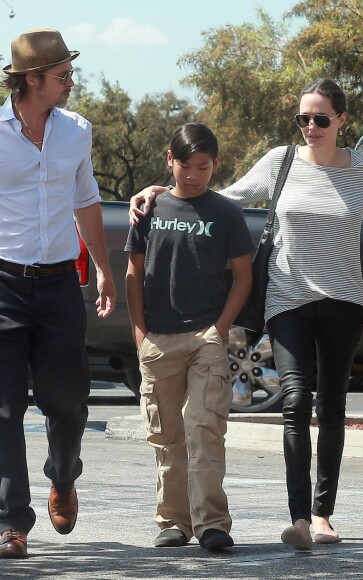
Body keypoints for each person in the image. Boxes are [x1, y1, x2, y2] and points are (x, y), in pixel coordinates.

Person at [128, 79, 363, 550]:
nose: (311, 127)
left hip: (344, 302)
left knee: (331, 407)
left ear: (341, 121)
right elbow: (222, 195)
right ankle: (298, 520)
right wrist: (161, 190)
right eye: (303, 119)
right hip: (287, 299)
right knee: (293, 401)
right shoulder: (279, 162)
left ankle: (322, 513)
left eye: (321, 119)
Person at [0, 29, 116, 559]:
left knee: (67, 403)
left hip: (59, 284)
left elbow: (87, 200)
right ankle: (11, 522)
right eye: (62, 75)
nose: (71, 82)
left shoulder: (77, 132)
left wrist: (104, 271)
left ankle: (63, 475)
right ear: (32, 80)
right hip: (2, 283)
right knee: (3, 409)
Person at [125, 123, 253, 551]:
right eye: (185, 165)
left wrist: (218, 330)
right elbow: (133, 274)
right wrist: (141, 334)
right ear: (170, 160)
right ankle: (173, 521)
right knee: (167, 435)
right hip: (158, 339)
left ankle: (213, 523)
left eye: (203, 166)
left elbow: (243, 277)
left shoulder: (227, 213)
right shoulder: (150, 208)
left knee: (204, 429)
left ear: (215, 165)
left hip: (205, 339)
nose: (193, 174)